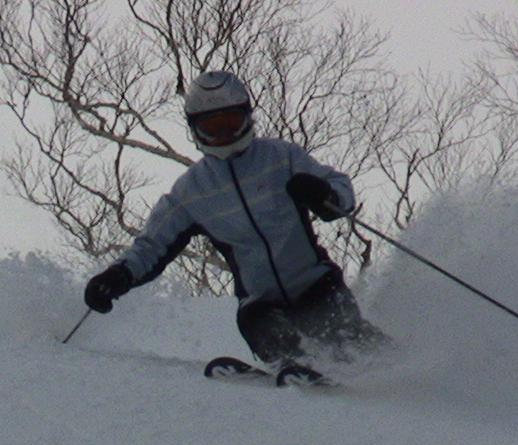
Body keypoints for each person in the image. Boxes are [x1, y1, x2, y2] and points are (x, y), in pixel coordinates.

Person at [84, 71, 386, 370]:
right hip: (260, 303)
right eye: (213, 128)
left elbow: (339, 189)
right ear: (195, 129)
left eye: (231, 123)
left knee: (349, 339)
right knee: (269, 333)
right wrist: (116, 277)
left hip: (318, 286)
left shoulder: (281, 158)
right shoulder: (192, 192)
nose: (224, 135)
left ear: (247, 118)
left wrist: (324, 195)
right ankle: (297, 367)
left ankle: (401, 369)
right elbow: (152, 246)